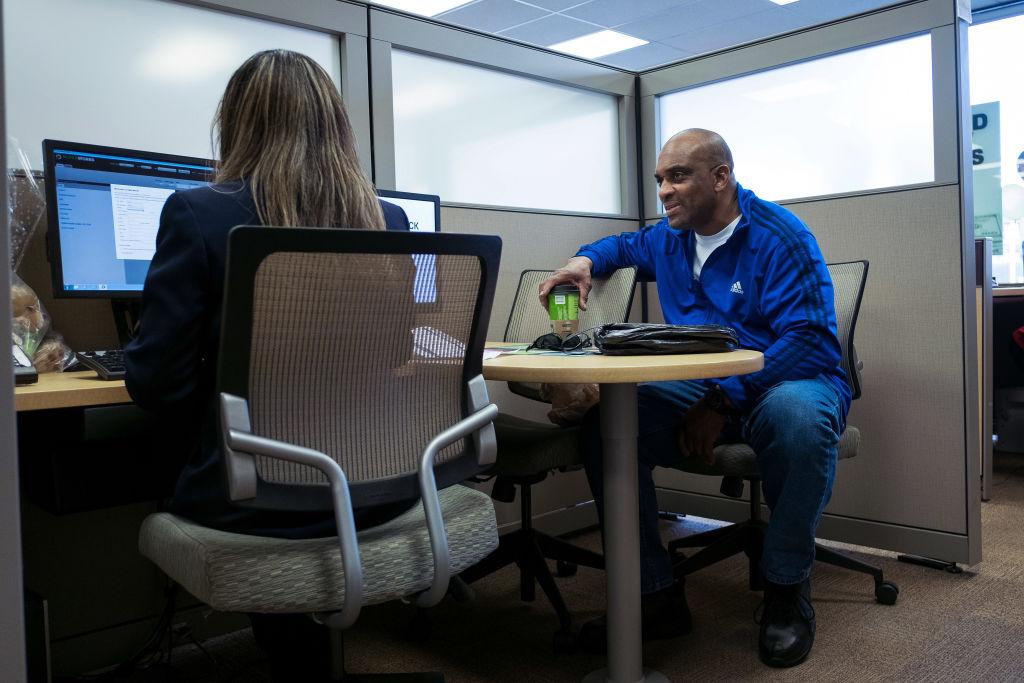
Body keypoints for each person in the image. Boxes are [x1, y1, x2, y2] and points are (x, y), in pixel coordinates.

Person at [124, 49, 412, 680]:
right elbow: (394, 357)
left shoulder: (198, 211)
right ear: (338, 125)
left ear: (236, 122)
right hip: (379, 487)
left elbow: (155, 384)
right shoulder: (388, 219)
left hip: (259, 500)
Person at [538, 129, 849, 668]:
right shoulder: (669, 237)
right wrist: (584, 261)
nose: (664, 191)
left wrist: (723, 401)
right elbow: (619, 245)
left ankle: (785, 587)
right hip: (707, 386)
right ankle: (654, 594)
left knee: (798, 421)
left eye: (677, 176)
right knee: (607, 428)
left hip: (788, 377)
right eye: (660, 179)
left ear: (721, 177)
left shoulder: (780, 235)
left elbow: (810, 342)